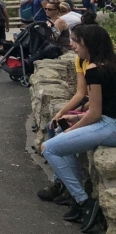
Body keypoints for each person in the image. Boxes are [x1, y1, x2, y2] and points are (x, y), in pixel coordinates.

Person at [39, 24, 116, 228]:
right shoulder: (109, 63)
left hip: (109, 126)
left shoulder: (92, 69)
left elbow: (96, 113)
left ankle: (83, 201)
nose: (73, 46)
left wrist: (73, 128)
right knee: (60, 132)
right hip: (109, 122)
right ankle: (76, 197)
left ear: (88, 44)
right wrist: (74, 119)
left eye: (76, 41)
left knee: (49, 148)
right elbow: (103, 105)